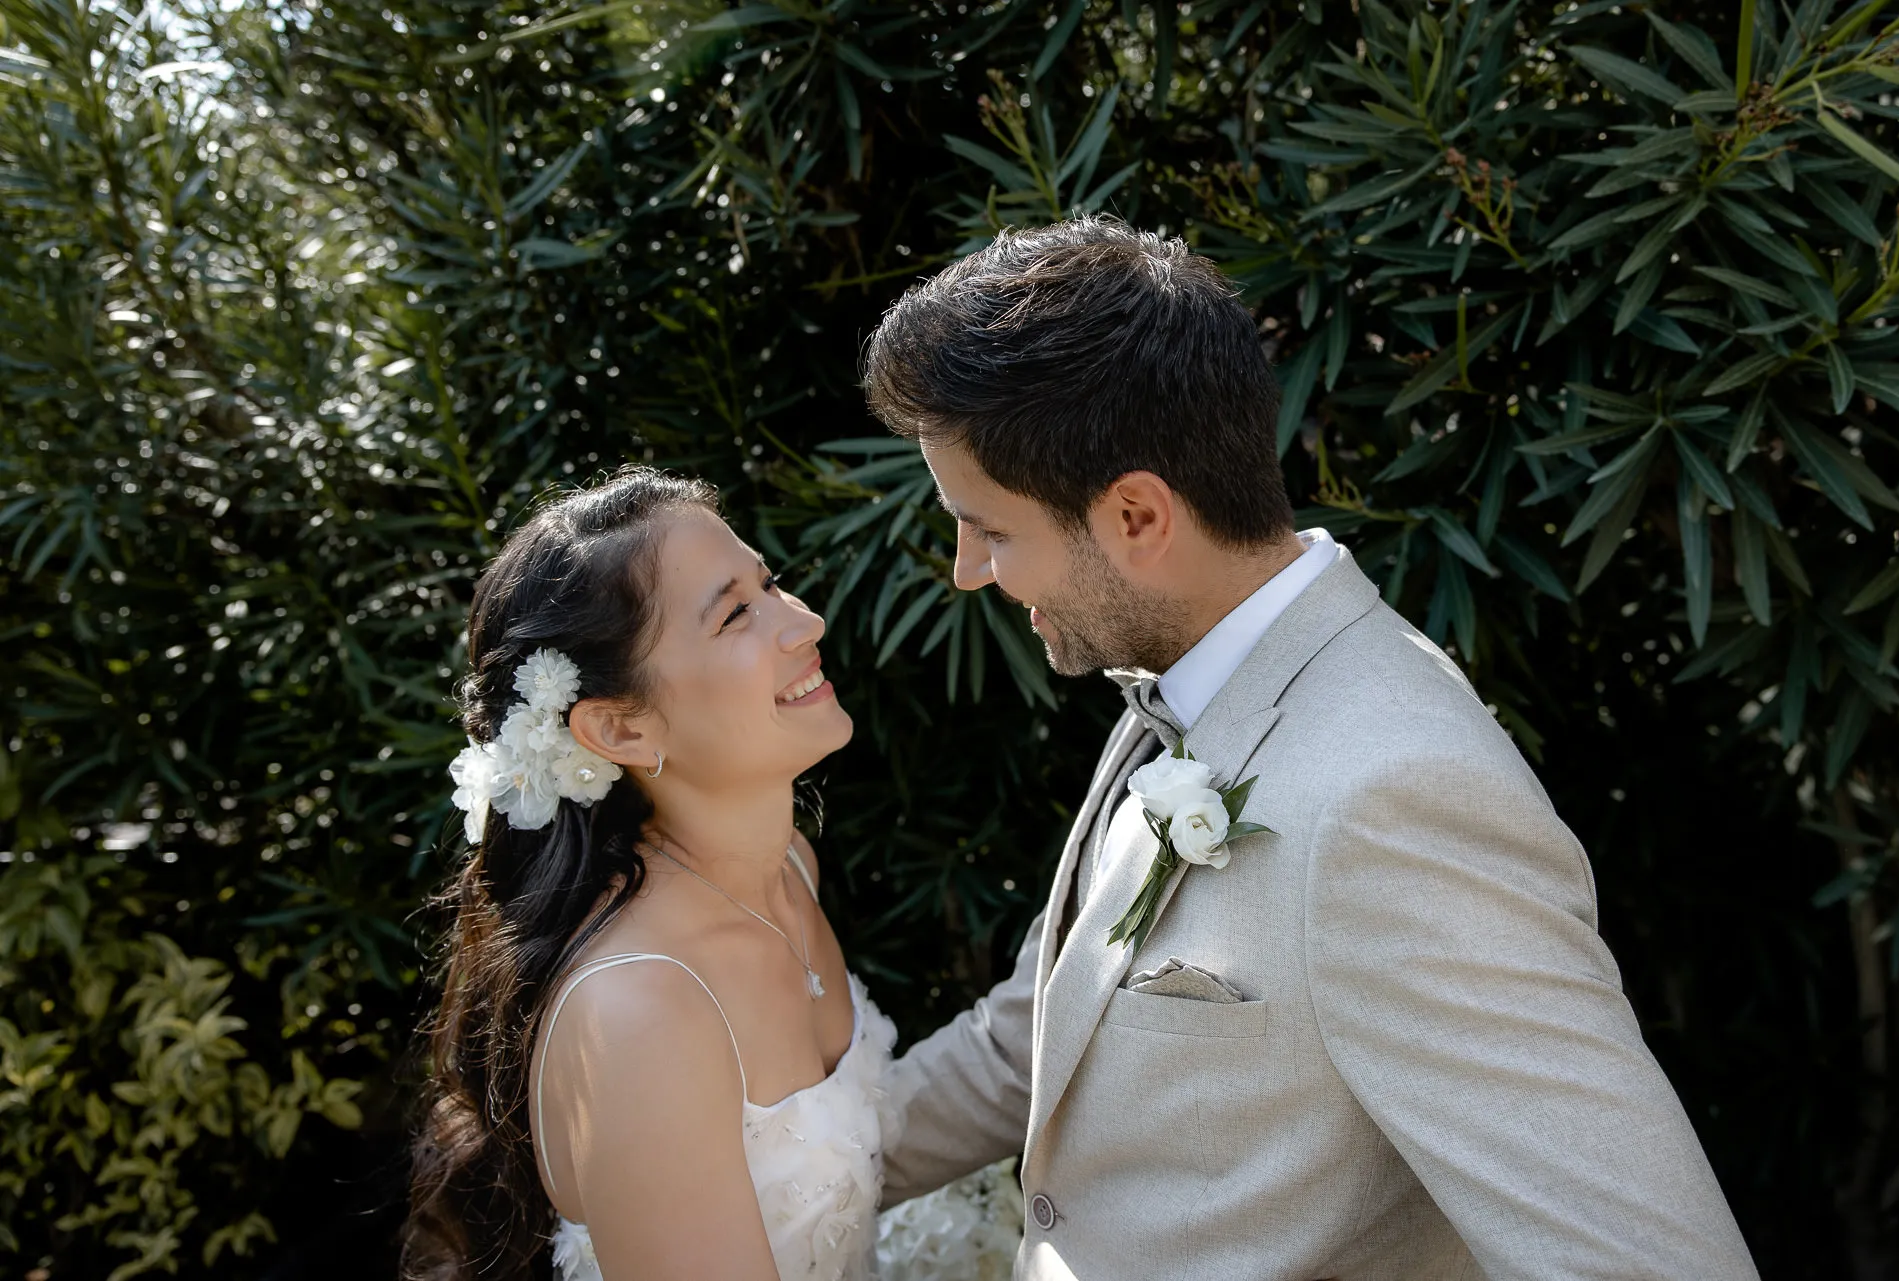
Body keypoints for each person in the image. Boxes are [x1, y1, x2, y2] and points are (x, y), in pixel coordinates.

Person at [864, 216, 1762, 1279]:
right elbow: (1049, 1029)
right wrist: (775, 1169)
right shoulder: (1179, 686)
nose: (968, 570)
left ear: (1138, 515)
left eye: (991, 529)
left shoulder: (1394, 795)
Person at [404, 468, 897, 1281]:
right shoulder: (639, 1010)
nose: (805, 620)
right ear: (621, 730)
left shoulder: (790, 872)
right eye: (735, 613)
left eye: (770, 583)